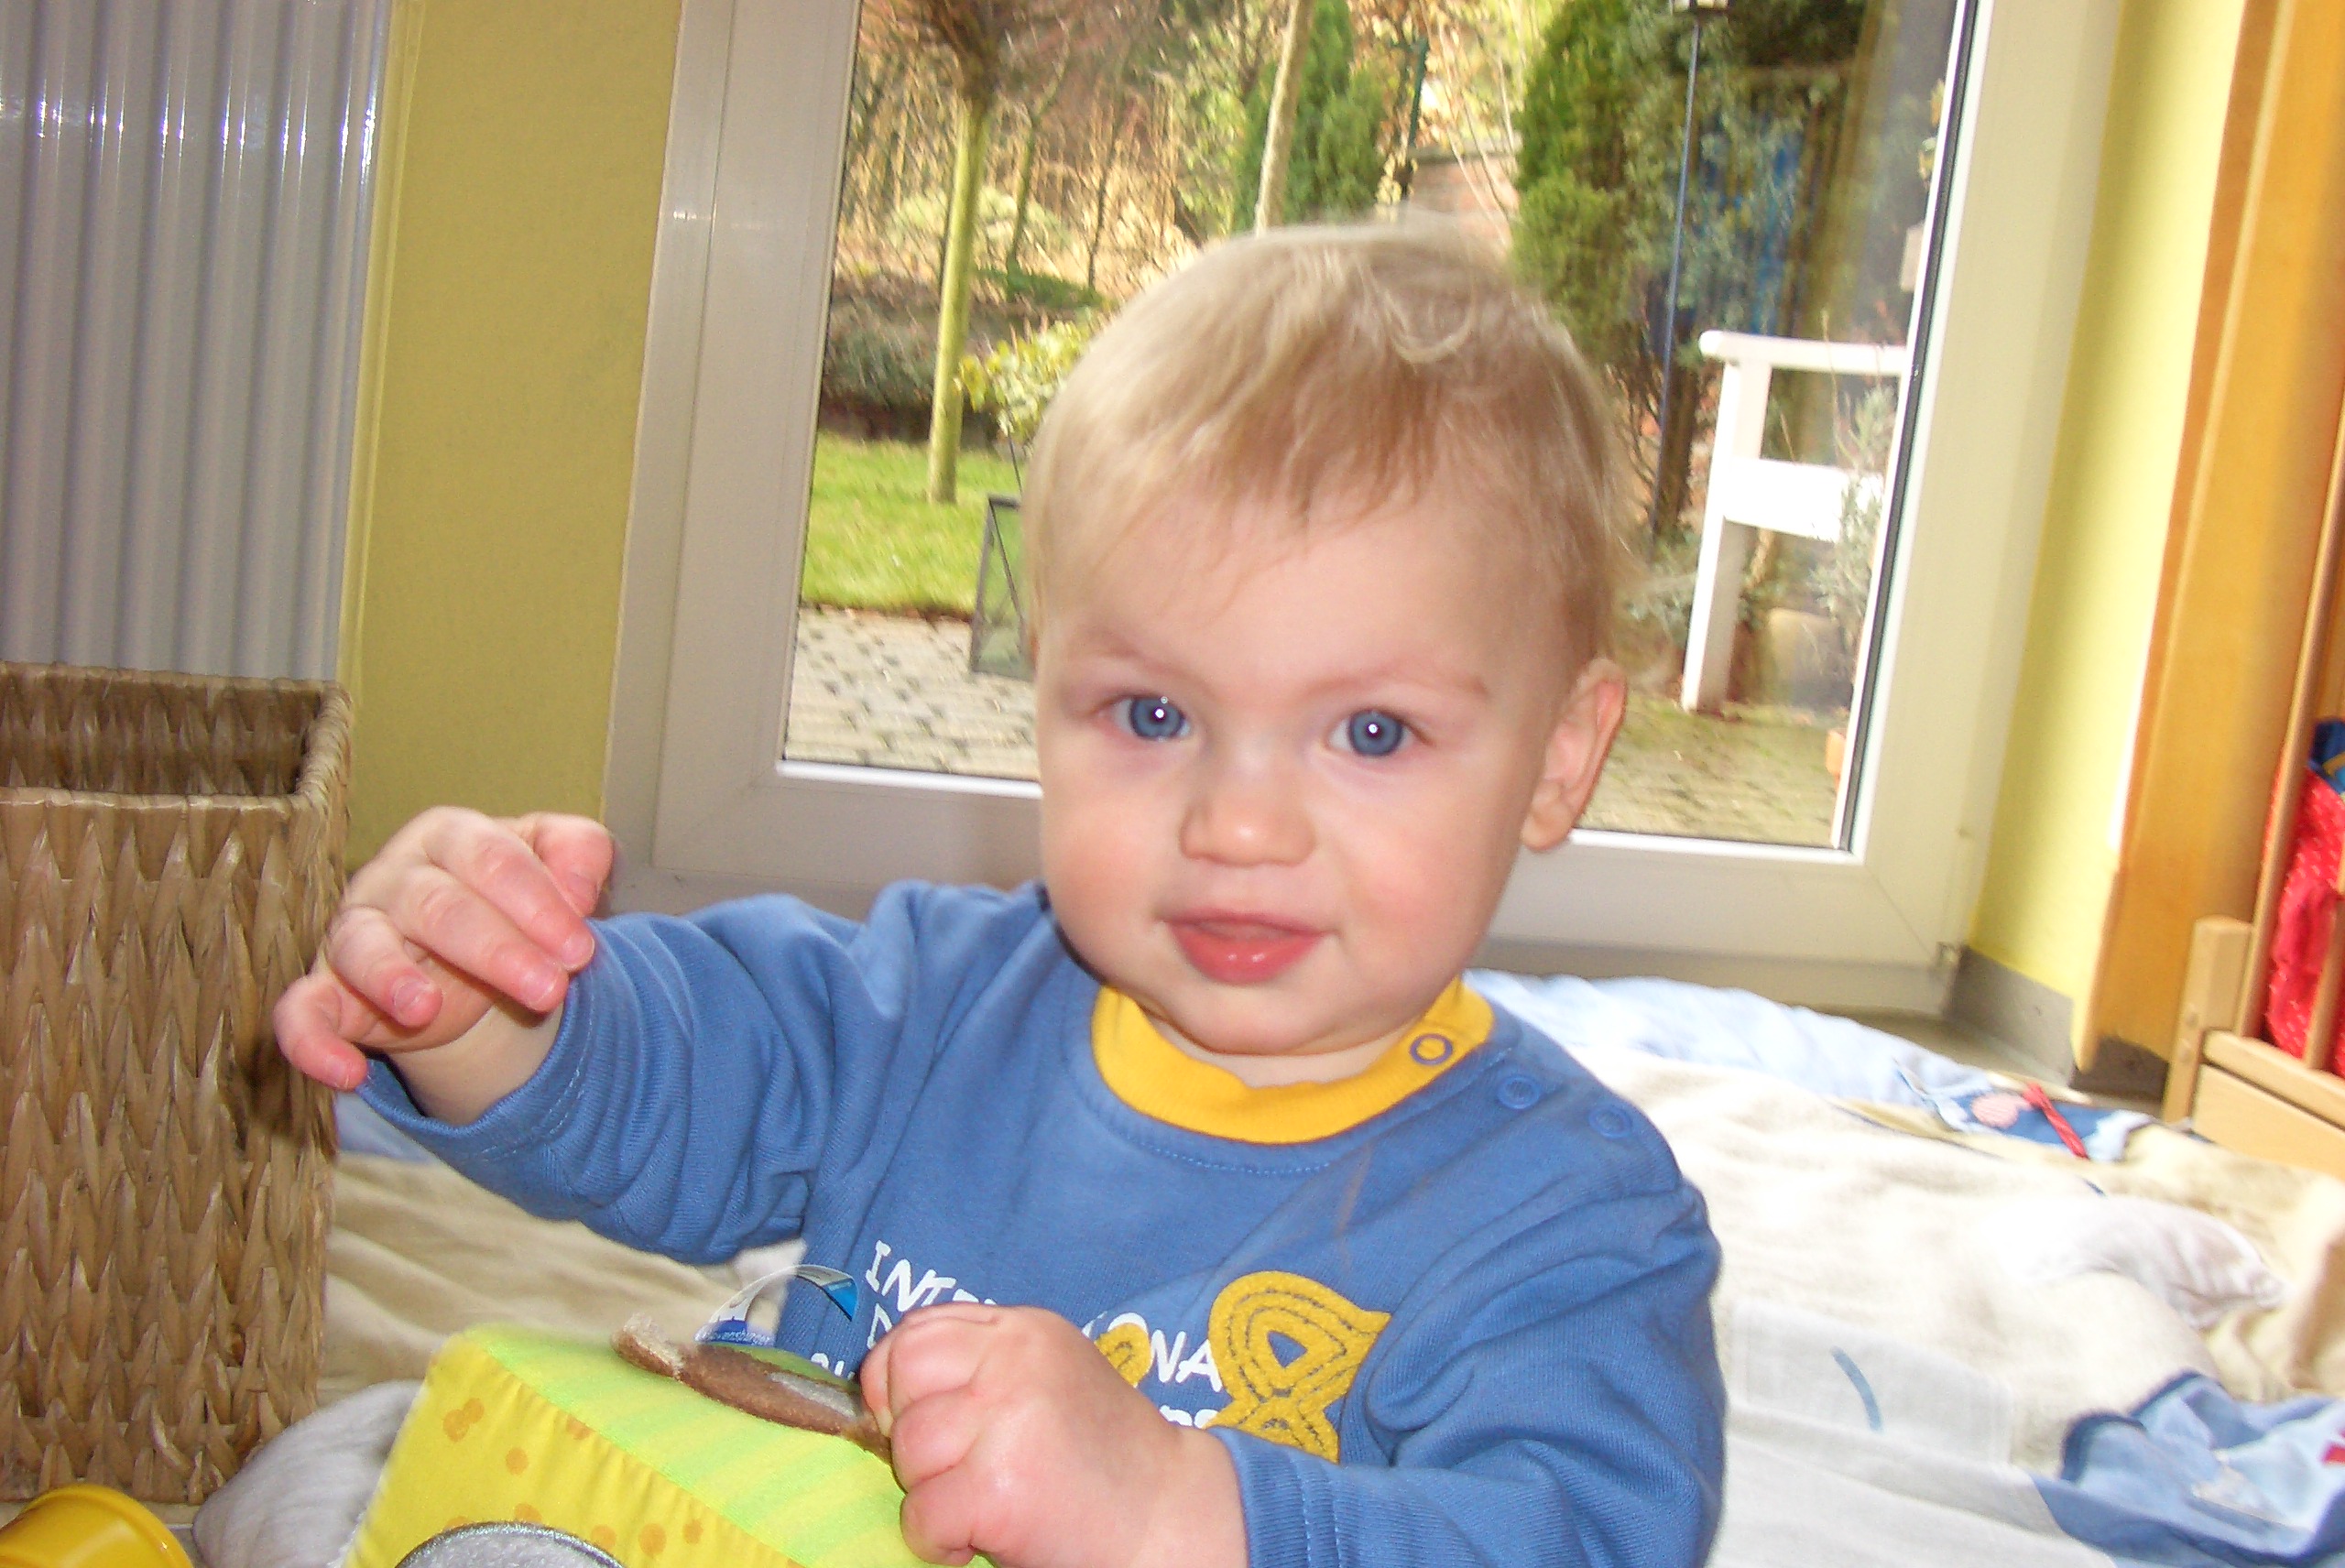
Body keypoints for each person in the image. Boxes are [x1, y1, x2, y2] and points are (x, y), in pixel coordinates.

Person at [276, 221, 1726, 1568]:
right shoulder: (933, 1009)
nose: (1236, 824)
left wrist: (1183, 1509)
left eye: (1372, 732)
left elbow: (1580, 1536)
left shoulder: (1569, 1220)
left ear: (1558, 757)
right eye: (1153, 715)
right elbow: (680, 1073)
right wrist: (487, 1006)